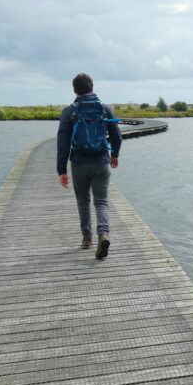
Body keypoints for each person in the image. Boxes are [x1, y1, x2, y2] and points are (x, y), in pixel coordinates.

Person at [56, 73, 122, 259]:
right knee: (101, 202)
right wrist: (114, 155)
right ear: (92, 87)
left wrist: (61, 170)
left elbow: (63, 142)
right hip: (101, 161)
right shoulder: (105, 109)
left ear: (74, 90)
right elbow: (116, 136)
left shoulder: (69, 111)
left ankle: (87, 239)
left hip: (79, 163)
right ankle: (104, 234)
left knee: (83, 201)